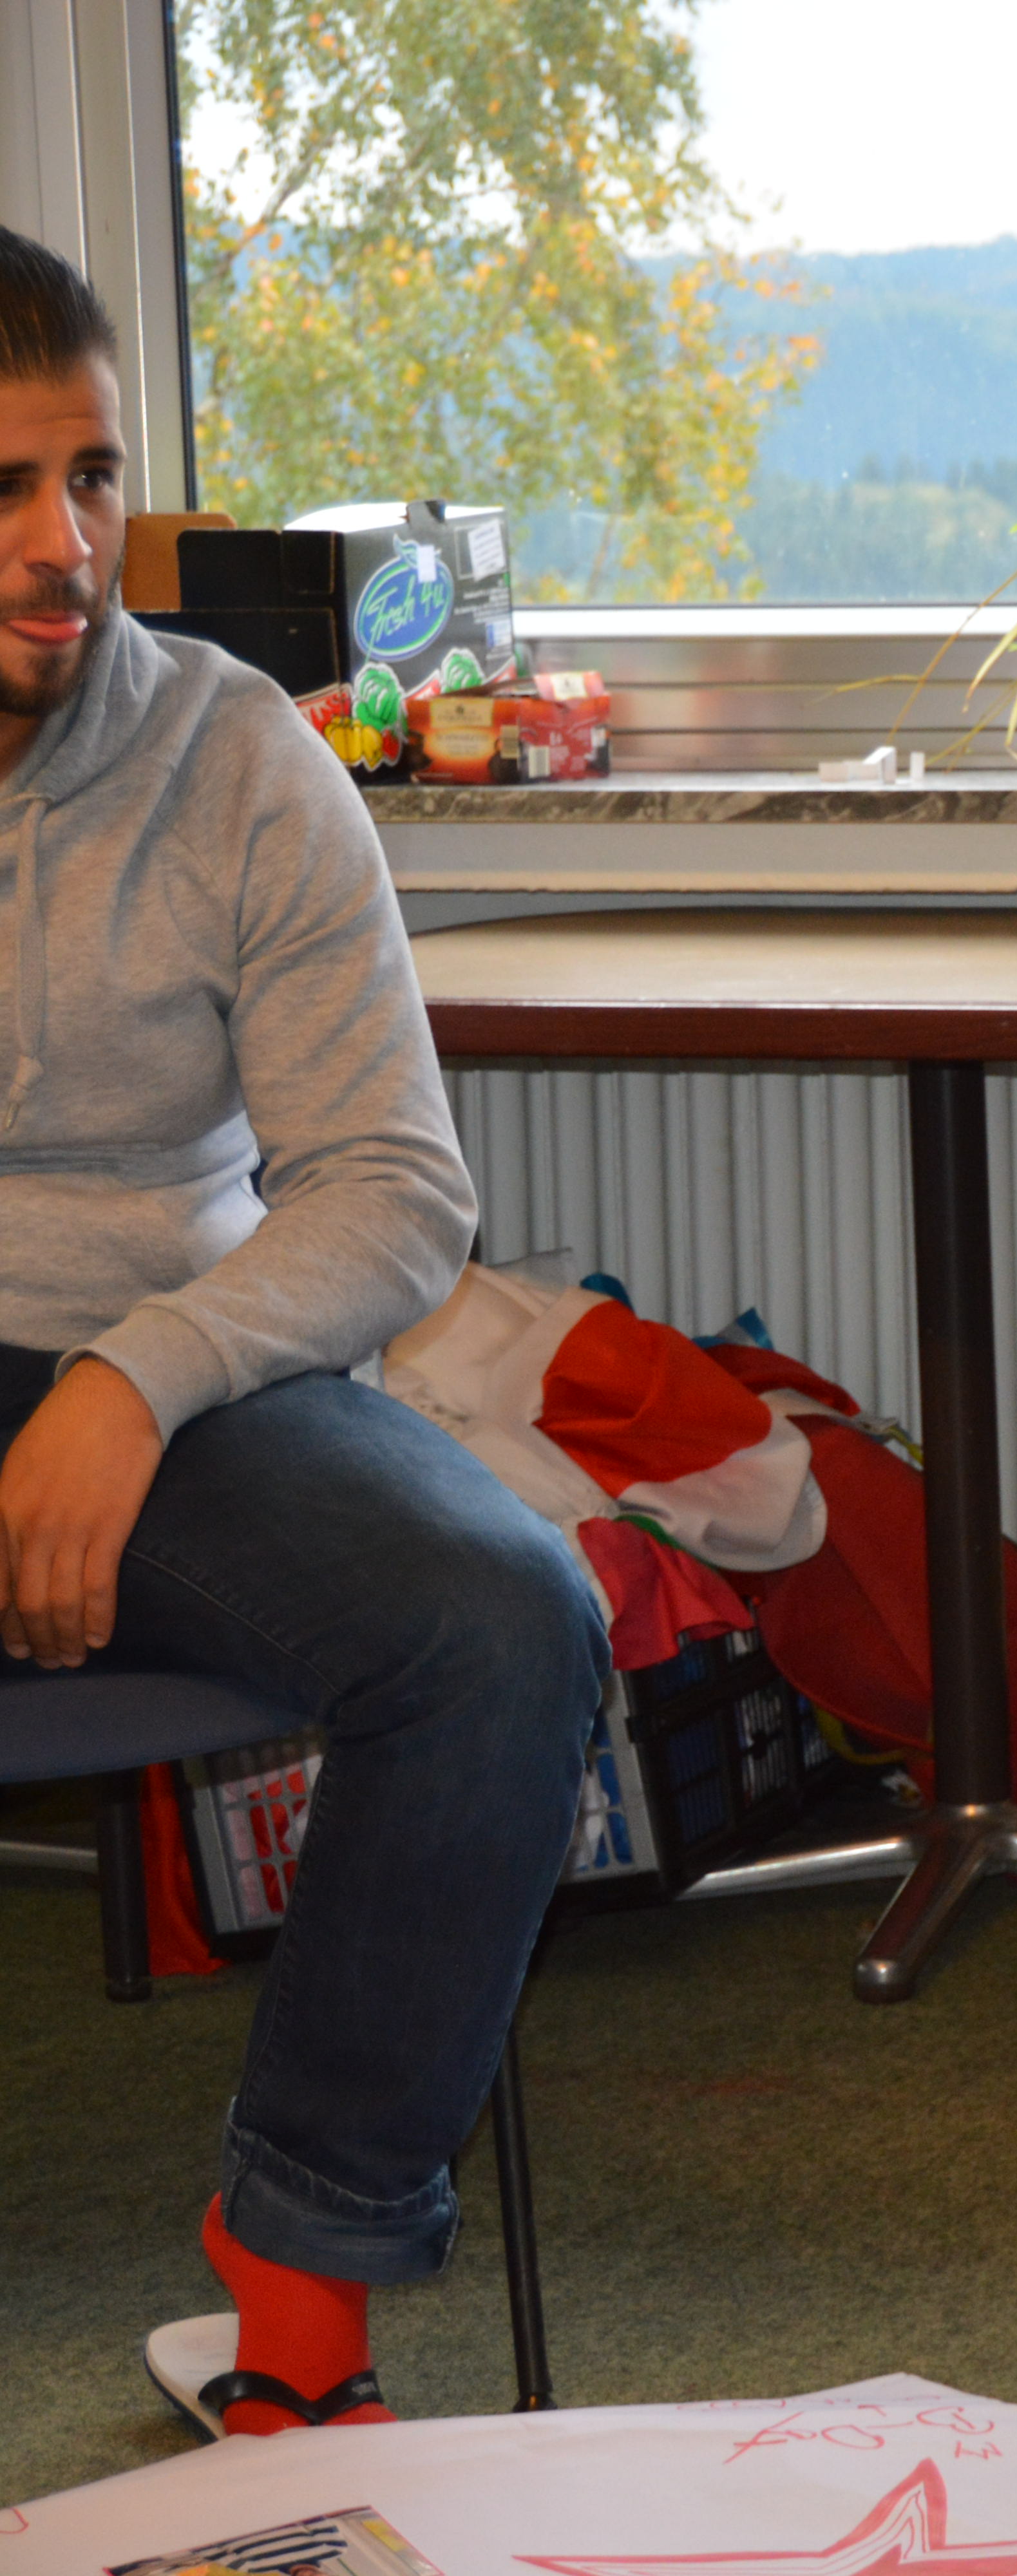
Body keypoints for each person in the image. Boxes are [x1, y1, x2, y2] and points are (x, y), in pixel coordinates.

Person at [0, 229, 606, 2436]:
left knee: (506, 1622)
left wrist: (129, 1379)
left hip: (168, 1355)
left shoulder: (235, 753)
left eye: (89, 476)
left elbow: (390, 1187)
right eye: (1, 490)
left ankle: (303, 2279)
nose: (64, 547)